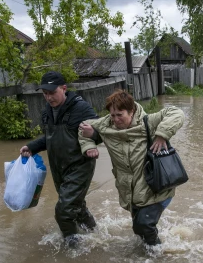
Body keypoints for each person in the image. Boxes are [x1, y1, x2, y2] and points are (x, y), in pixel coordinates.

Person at [78, 90, 185, 247]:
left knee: (143, 225)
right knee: (139, 228)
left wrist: (162, 134)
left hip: (156, 186)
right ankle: (148, 251)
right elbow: (82, 128)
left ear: (132, 111)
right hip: (130, 189)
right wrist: (89, 144)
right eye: (112, 115)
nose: (115, 120)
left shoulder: (148, 122)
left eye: (120, 115)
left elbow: (177, 112)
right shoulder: (105, 124)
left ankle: (158, 257)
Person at [20, 71, 99, 246]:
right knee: (76, 208)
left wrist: (94, 133)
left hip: (79, 166)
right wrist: (32, 147)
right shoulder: (47, 111)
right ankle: (95, 234)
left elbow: (102, 131)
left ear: (63, 88)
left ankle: (74, 248)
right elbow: (50, 138)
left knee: (63, 211)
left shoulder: (81, 108)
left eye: (52, 92)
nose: (48, 97)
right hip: (58, 167)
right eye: (45, 93)